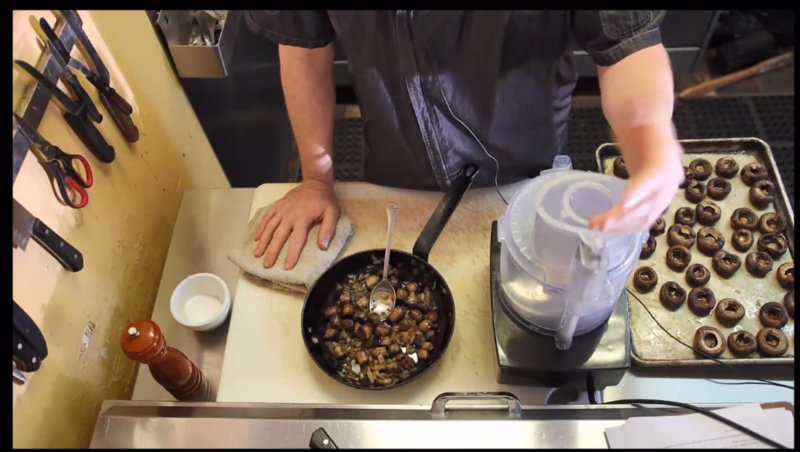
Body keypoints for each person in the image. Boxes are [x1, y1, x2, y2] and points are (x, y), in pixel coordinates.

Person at [245, 10, 685, 270]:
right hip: (399, 148)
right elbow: (303, 48)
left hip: (524, 148)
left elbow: (626, 42)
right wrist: (316, 181)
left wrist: (648, 135)